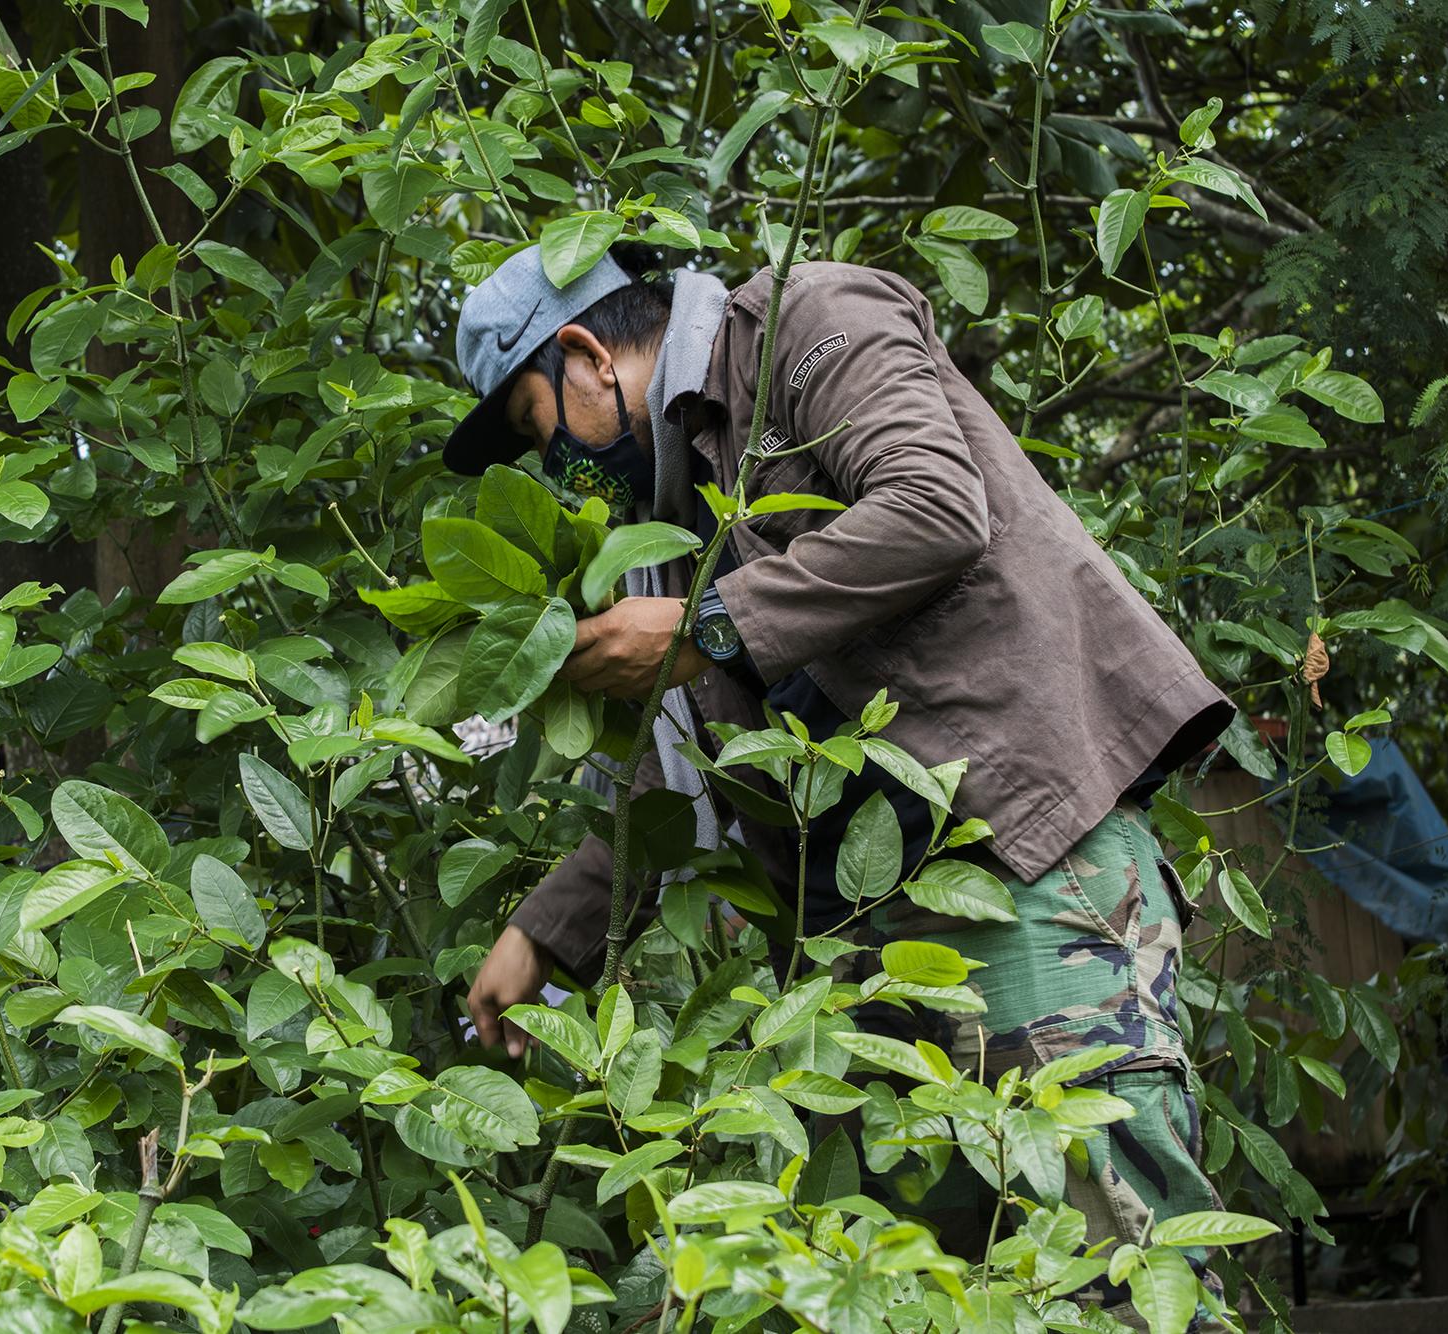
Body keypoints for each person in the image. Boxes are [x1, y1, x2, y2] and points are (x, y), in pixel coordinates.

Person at [444, 241, 1236, 1295]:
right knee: (944, 1298)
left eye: (542, 436)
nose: (558, 472)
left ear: (584, 356)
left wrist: (701, 624)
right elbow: (673, 766)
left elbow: (932, 504)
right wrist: (541, 932)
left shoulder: (798, 322)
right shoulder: (674, 524)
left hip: (1028, 860)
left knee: (1113, 1269)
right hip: (871, 933)